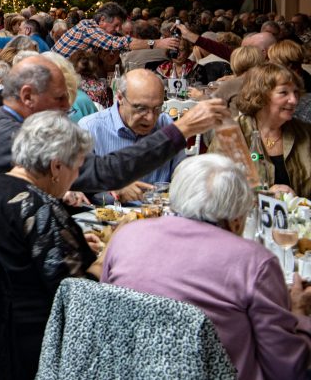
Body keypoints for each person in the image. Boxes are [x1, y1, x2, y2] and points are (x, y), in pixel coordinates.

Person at [0, 56, 227, 236]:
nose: (68, 107)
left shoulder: (5, 126)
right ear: (27, 96)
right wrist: (182, 129)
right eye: (59, 98)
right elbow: (105, 171)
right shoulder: (18, 136)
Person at [102, 154, 311, 379]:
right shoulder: (254, 262)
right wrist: (299, 314)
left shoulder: (125, 236)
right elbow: (286, 369)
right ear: (238, 219)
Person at [0, 111, 100, 380]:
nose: (77, 175)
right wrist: (109, 256)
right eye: (77, 166)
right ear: (57, 167)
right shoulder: (39, 206)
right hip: (25, 342)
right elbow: (77, 295)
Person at [78, 70, 182, 202]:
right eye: (141, 108)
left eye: (157, 108)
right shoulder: (90, 129)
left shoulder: (165, 124)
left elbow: (183, 175)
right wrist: (114, 193)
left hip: (159, 216)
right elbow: (80, 192)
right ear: (120, 98)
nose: (150, 118)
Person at [236, 62, 311, 197]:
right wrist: (263, 194)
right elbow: (215, 188)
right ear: (260, 95)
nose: (294, 100)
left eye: (295, 92)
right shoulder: (234, 133)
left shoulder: (306, 132)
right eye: (283, 92)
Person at [51, 2, 179, 59]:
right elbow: (116, 43)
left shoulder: (90, 28)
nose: (118, 30)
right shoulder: (87, 29)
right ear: (102, 20)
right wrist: (157, 43)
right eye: (116, 25)